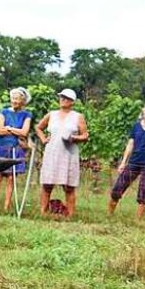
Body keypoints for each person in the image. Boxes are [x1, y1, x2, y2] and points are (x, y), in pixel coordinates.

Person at [36, 88, 88, 218]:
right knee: (47, 184)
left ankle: (70, 215)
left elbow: (85, 135)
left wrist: (74, 138)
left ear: (72, 101)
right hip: (52, 152)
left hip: (69, 154)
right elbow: (38, 127)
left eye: (66, 98)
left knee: (69, 186)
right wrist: (43, 139)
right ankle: (43, 212)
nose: (63, 100)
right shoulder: (51, 114)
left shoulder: (78, 116)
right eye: (61, 97)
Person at [0, 87, 32, 212]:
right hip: (1, 147)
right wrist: (15, 131)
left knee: (11, 178)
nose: (14, 101)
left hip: (16, 148)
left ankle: (6, 207)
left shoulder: (27, 115)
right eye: (13, 98)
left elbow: (24, 132)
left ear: (23, 101)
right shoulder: (4, 112)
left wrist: (8, 128)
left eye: (17, 99)